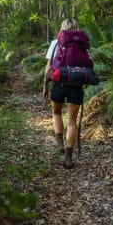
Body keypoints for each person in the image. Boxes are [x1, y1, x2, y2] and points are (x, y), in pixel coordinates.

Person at [43, 18, 86, 169]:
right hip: (76, 85)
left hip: (58, 82)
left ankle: (60, 144)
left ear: (62, 28)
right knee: (72, 121)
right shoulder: (82, 43)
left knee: (56, 113)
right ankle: (68, 157)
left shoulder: (56, 43)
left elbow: (48, 68)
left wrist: (45, 86)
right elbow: (87, 65)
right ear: (76, 28)